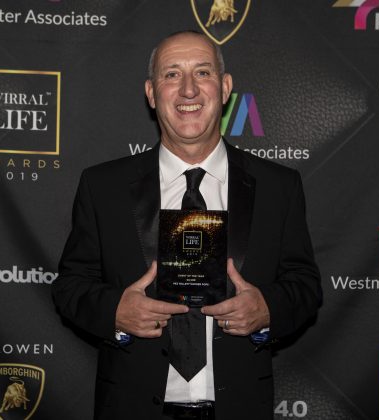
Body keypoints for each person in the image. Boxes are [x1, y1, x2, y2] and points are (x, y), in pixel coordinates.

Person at [52, 30, 322, 420]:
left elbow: (305, 285)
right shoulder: (103, 186)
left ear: (225, 88)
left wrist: (267, 309)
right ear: (151, 93)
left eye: (203, 72)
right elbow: (70, 286)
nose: (189, 90)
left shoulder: (278, 186)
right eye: (172, 74)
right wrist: (115, 311)